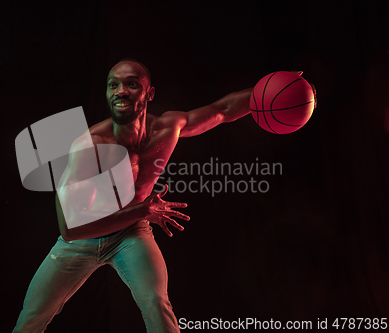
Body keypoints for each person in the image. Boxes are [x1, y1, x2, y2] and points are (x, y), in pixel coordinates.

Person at [13, 59, 256, 333]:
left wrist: (272, 89)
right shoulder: (91, 145)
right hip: (82, 240)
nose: (121, 91)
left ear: (149, 94)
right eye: (113, 85)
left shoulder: (168, 128)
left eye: (131, 84)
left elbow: (223, 110)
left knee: (156, 302)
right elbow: (70, 229)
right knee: (32, 317)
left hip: (131, 233)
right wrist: (142, 211)